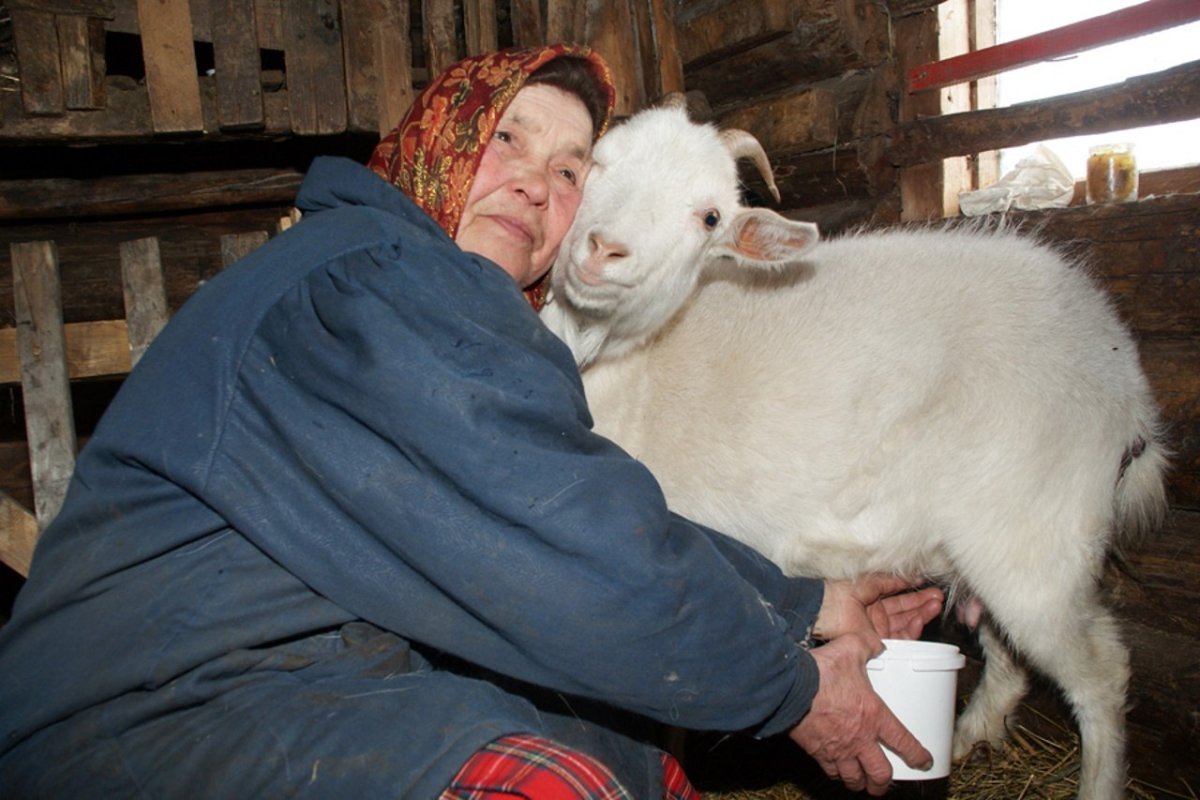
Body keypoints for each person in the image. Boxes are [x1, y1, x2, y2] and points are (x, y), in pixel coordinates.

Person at [0, 44, 943, 798]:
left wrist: (809, 604)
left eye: (570, 168)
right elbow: (566, 545)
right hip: (139, 716)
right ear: (439, 139)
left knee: (627, 746)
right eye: (507, 142)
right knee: (551, 784)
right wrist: (795, 691)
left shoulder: (430, 303)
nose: (539, 184)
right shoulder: (371, 278)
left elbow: (563, 512)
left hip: (316, 668)